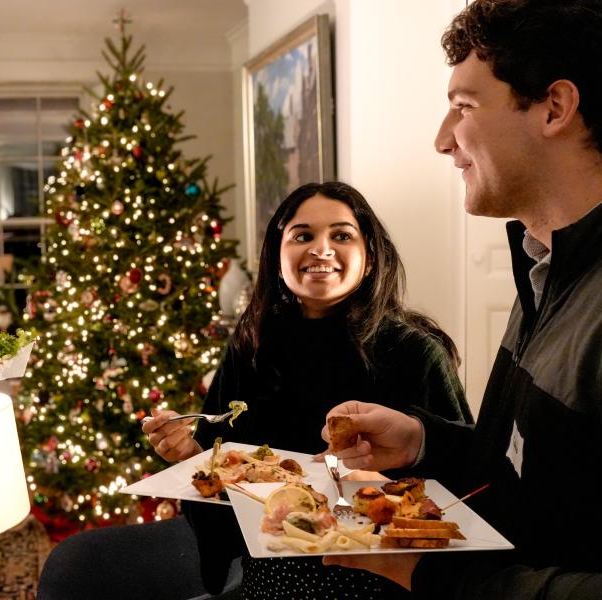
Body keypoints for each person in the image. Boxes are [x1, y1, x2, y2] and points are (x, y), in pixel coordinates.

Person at [322, 1, 602, 598]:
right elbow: (530, 475)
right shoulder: (543, 269)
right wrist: (425, 442)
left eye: (464, 107)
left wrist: (444, 578)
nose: (442, 139)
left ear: (554, 108)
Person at [143, 181, 473, 599]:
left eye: (341, 235)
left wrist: (385, 481)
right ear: (277, 256)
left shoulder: (415, 351)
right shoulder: (251, 347)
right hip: (273, 582)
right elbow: (215, 482)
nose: (321, 249)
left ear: (370, 257)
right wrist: (188, 454)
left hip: (387, 582)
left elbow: (466, 485)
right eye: (303, 236)